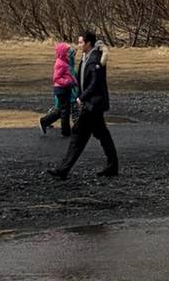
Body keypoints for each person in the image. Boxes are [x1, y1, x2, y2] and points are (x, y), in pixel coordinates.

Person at [49, 30, 118, 180]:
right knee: (102, 135)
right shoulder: (87, 56)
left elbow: (95, 83)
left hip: (93, 104)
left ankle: (63, 169)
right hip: (91, 104)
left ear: (88, 43)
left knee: (78, 135)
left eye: (81, 42)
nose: (79, 45)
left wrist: (82, 97)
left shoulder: (94, 59)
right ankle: (113, 166)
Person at [39, 39, 76, 137]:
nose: (68, 53)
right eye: (67, 51)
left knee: (62, 110)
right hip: (61, 89)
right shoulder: (60, 63)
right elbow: (56, 78)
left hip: (66, 88)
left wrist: (74, 82)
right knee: (65, 111)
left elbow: (69, 73)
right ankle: (66, 132)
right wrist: (67, 82)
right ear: (63, 52)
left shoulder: (65, 61)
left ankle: (45, 121)